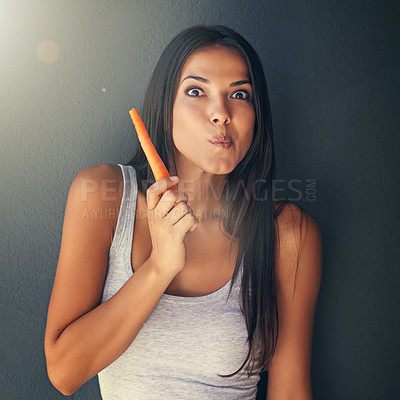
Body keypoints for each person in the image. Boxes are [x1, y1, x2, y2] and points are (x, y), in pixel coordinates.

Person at [44, 25, 322, 399]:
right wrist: (160, 267)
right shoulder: (104, 195)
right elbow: (64, 373)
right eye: (196, 91)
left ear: (257, 115)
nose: (221, 113)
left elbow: (290, 390)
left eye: (239, 94)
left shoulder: (288, 232)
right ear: (166, 106)